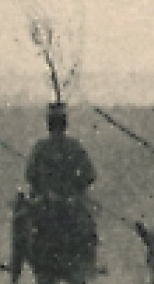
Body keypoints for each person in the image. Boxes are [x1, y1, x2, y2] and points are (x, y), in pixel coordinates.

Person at [22, 101, 99, 271]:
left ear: (49, 125)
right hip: (71, 201)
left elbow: (30, 175)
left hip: (46, 202)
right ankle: (91, 260)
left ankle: (23, 258)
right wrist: (75, 189)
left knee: (25, 222)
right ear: (65, 124)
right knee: (89, 223)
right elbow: (90, 175)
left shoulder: (41, 148)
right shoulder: (75, 147)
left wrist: (44, 189)